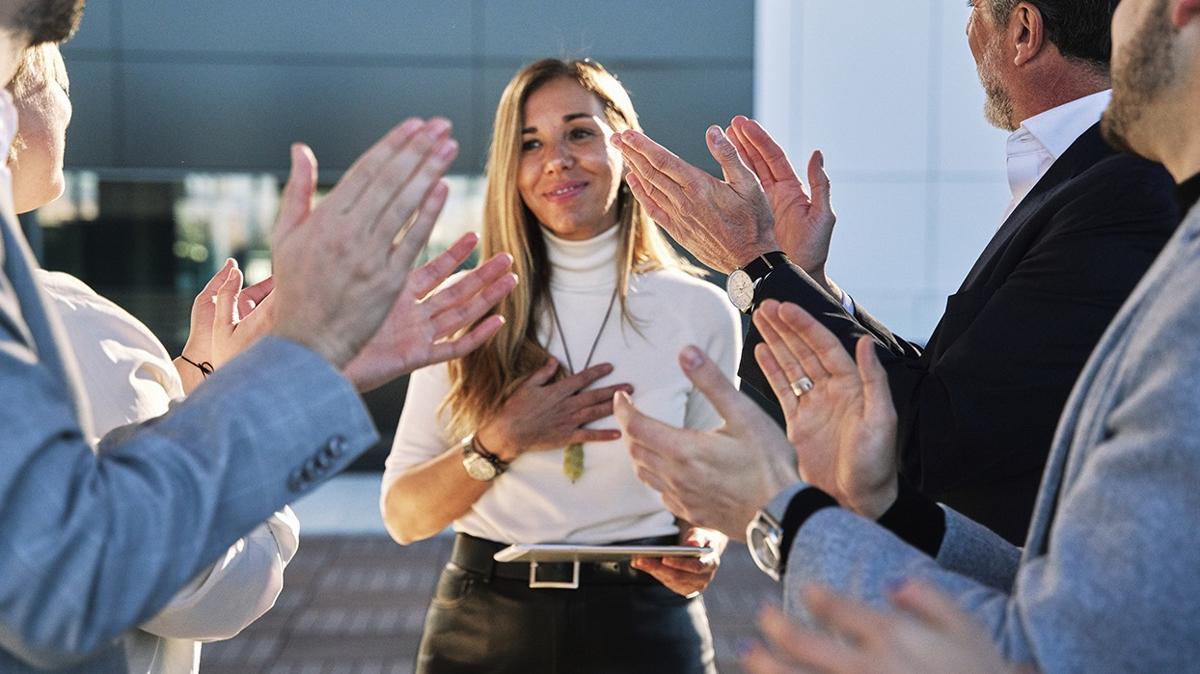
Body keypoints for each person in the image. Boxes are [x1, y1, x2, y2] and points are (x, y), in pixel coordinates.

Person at [614, 1, 1200, 657]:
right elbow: (956, 388)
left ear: (1025, 31)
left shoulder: (1123, 188)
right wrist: (799, 281)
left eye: (976, 9)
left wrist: (758, 268)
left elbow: (944, 432)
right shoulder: (1094, 181)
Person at [0, 2, 514, 671]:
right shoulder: (66, 325)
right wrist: (291, 367)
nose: (68, 102)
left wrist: (205, 387)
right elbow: (172, 583)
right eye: (45, 69)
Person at [380, 58, 741, 673]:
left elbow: (714, 498)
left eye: (579, 132)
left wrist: (704, 546)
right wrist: (501, 438)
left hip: (647, 623)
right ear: (511, 168)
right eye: (530, 143)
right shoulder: (469, 308)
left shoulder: (701, 311)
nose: (556, 159)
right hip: (485, 625)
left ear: (626, 145)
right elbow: (404, 517)